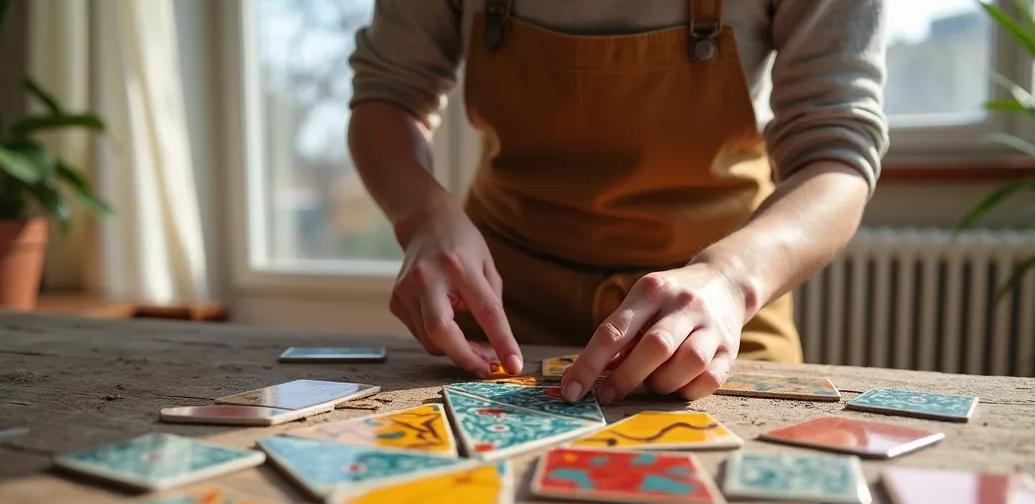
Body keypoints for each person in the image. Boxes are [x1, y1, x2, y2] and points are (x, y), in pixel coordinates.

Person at [347, 0, 888, 405]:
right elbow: (387, 96)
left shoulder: (727, 289)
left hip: (718, 310)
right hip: (503, 307)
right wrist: (424, 216)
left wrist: (728, 279)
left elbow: (836, 153)